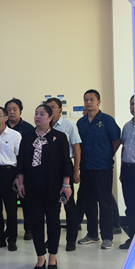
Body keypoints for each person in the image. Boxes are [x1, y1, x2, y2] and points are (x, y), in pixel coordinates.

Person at [17, 104, 72, 269]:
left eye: (42, 114)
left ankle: (53, 255)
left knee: (53, 222)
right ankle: (40, 257)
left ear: (50, 118)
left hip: (53, 187)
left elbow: (66, 162)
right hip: (32, 186)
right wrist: (20, 183)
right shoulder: (27, 136)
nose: (38, 116)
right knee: (36, 222)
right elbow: (21, 162)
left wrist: (66, 184)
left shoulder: (59, 137)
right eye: (36, 113)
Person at [76, 89, 121, 250]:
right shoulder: (81, 122)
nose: (88, 102)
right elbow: (78, 145)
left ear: (98, 102)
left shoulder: (107, 120)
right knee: (89, 202)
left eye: (91, 99)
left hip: (103, 167)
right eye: (86, 99)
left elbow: (117, 140)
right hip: (86, 167)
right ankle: (92, 234)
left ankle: (107, 236)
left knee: (104, 202)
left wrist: (107, 154)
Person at [45, 97, 81, 251]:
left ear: (60, 109)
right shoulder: (44, 126)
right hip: (49, 170)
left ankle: (71, 240)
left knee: (69, 205)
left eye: (53, 107)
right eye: (48, 107)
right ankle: (52, 239)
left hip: (66, 167)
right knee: (52, 207)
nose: (50, 110)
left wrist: (76, 170)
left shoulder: (69, 125)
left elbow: (77, 148)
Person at [0, 106, 22, 252]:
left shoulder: (15, 135)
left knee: (11, 209)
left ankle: (12, 239)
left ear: (6, 118)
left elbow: (20, 158)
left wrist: (18, 177)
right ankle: (0, 239)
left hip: (9, 174)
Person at [4, 97, 34, 240]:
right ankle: (10, 229)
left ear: (20, 111)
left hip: (24, 171)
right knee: (9, 203)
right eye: (9, 109)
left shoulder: (28, 128)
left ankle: (29, 229)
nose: (11, 112)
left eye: (14, 109)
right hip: (7, 170)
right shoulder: (2, 127)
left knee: (25, 201)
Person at [119, 96, 135, 250]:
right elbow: (123, 148)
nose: (133, 107)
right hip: (127, 169)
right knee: (129, 206)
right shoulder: (127, 126)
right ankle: (132, 237)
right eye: (131, 104)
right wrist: (121, 170)